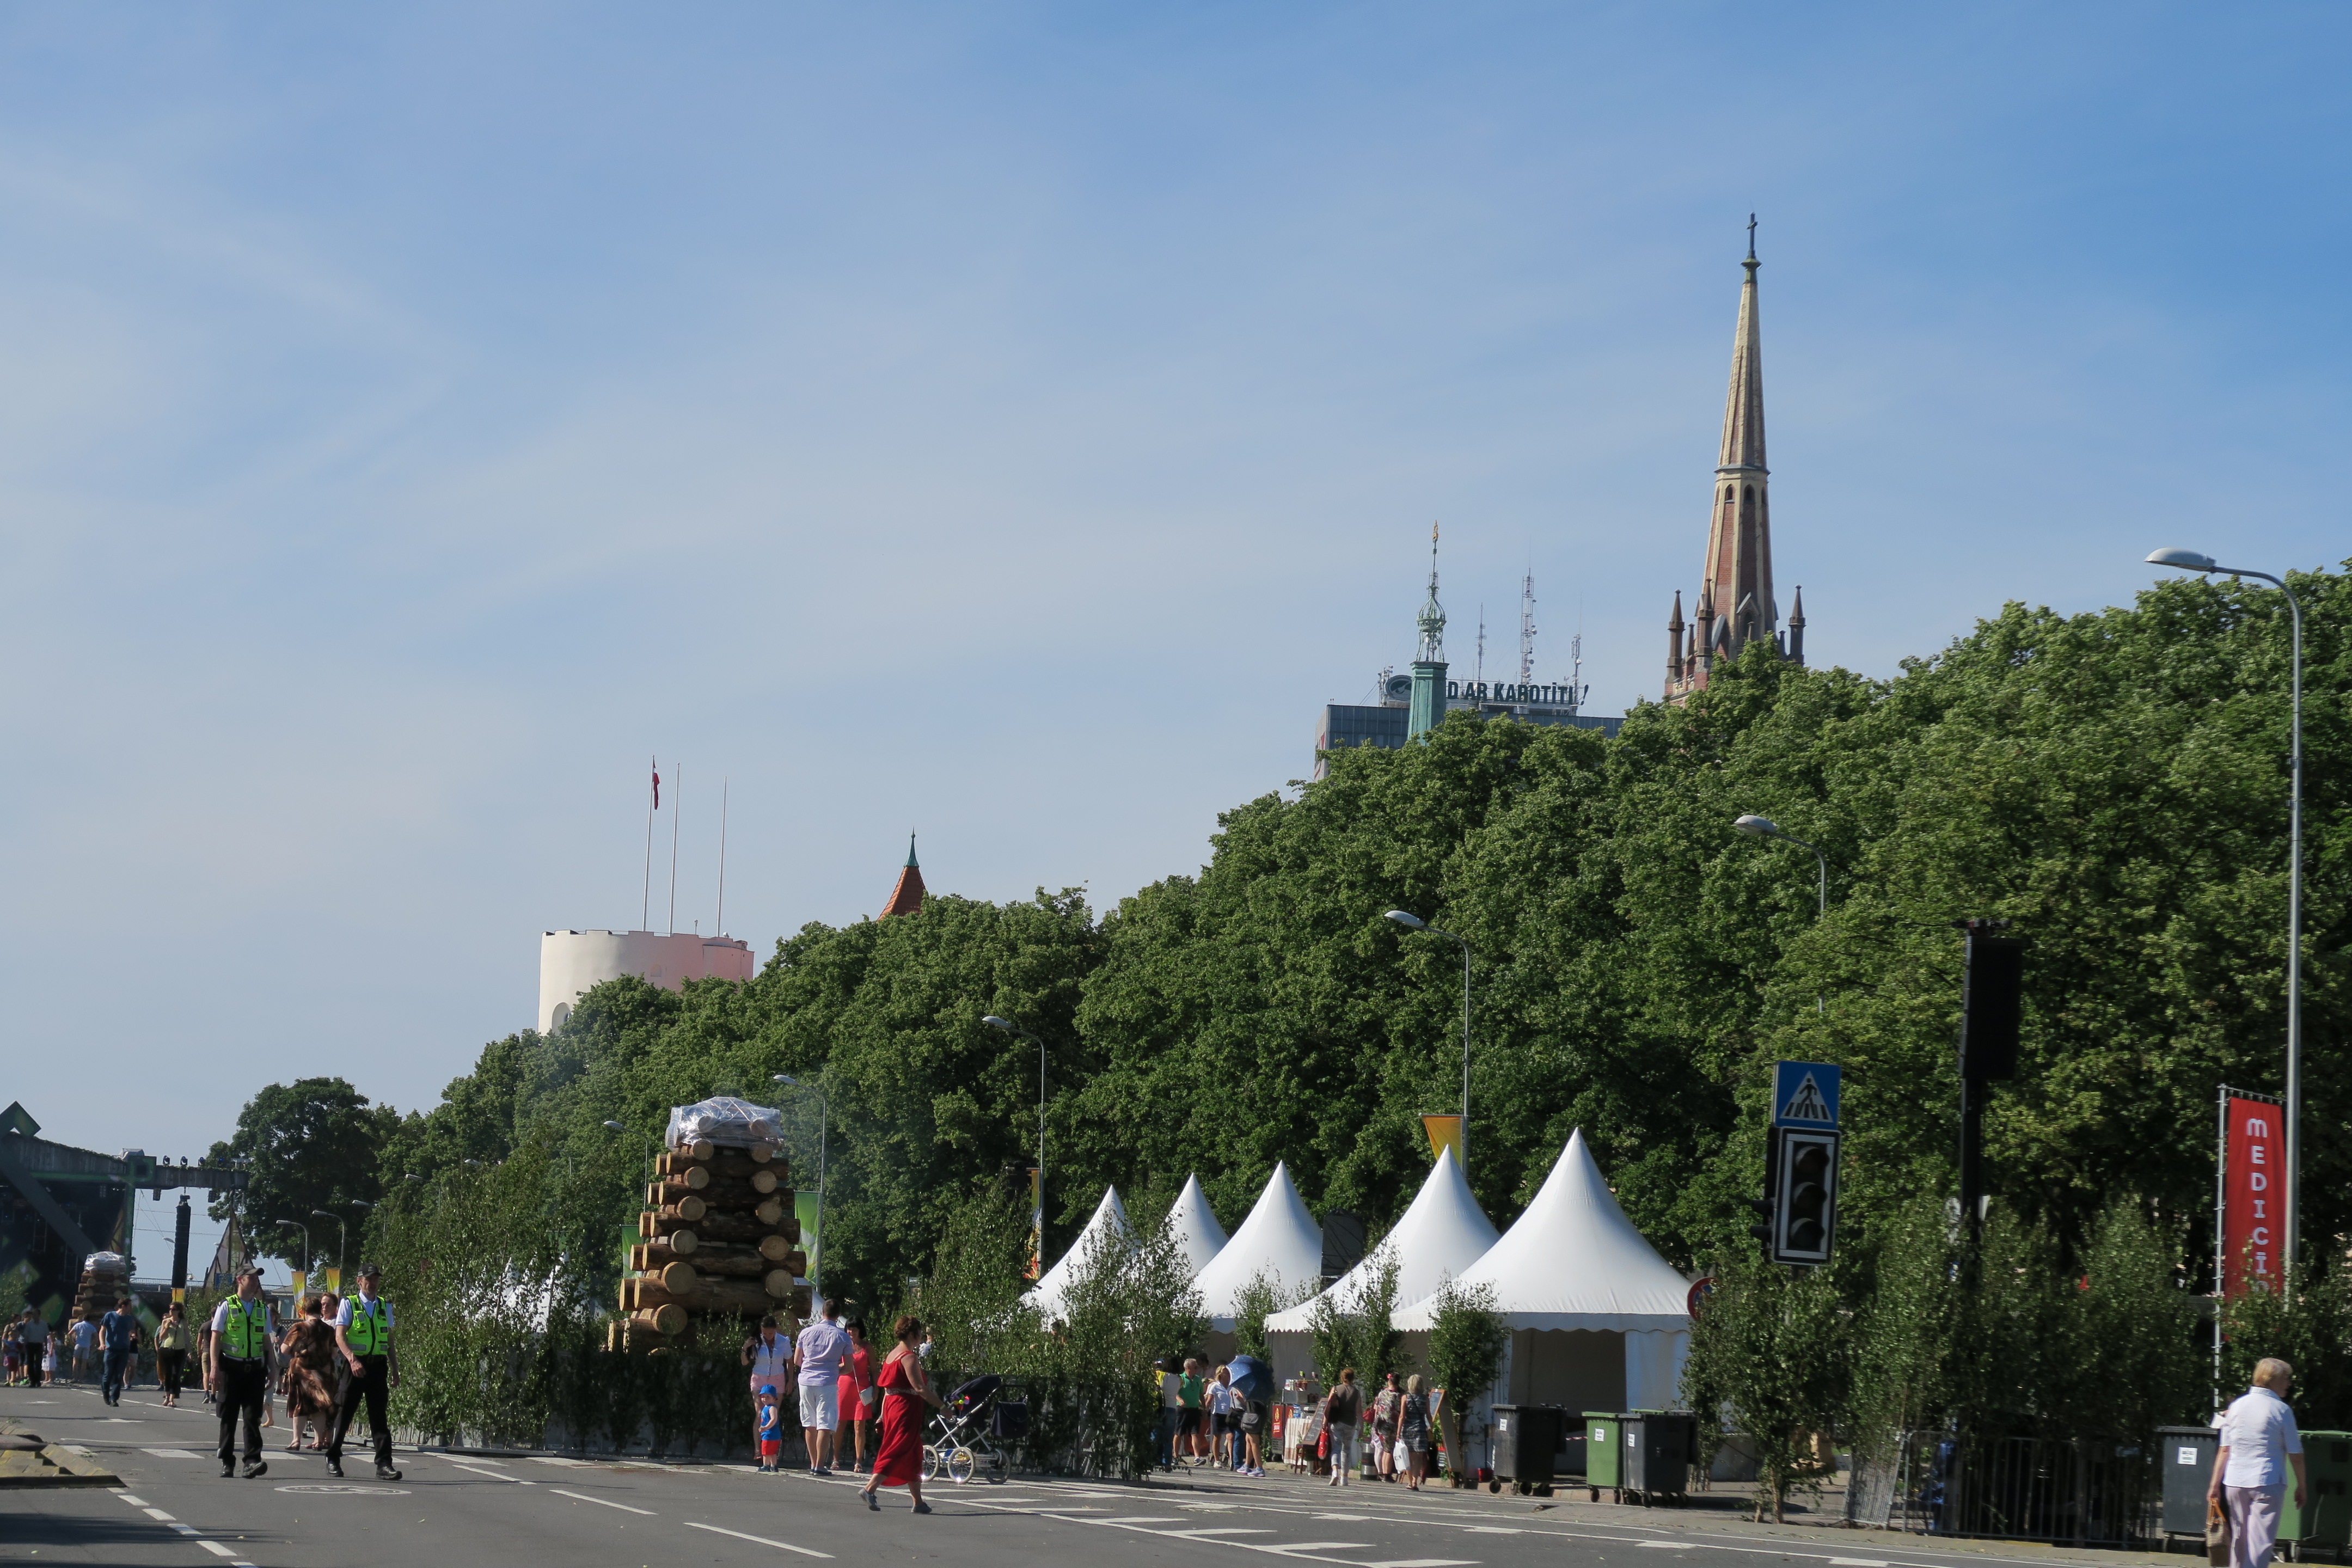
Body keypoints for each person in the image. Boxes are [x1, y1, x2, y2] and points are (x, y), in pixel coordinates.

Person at [2211, 1357, 2308, 1568]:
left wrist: (2214, 1486)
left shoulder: (2236, 1406)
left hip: (2235, 1482)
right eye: (2286, 1378)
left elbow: (2225, 1449)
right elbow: (2296, 1454)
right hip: (2267, 1481)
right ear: (2271, 1379)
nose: (2289, 1384)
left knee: (2239, 1541)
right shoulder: (2281, 1410)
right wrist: (2302, 1485)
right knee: (2259, 1544)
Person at [857, 1315, 941, 1514]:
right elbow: (920, 1388)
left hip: (894, 1407)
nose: (920, 1337)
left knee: (912, 1452)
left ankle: (918, 1501)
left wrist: (881, 1415)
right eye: (919, 1333)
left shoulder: (892, 1355)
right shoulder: (908, 1357)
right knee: (898, 1448)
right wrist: (942, 1406)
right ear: (913, 1334)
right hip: (905, 1408)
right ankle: (870, 1488)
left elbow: (888, 1389)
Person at [327, 1263, 401, 1481]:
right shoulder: (349, 1304)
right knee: (345, 1413)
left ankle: (384, 1464)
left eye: (376, 1278)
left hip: (378, 1366)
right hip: (355, 1367)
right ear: (360, 1281)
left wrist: (395, 1369)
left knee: (379, 1416)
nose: (373, 1283)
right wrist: (352, 1359)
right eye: (369, 1279)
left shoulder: (384, 1306)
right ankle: (333, 1457)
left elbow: (388, 1339)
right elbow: (340, 1336)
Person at [209, 1265, 274, 1478]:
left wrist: (273, 1369)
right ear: (240, 1279)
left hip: (255, 1369)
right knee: (228, 1416)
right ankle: (227, 1461)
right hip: (231, 1368)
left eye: (257, 1278)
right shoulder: (227, 1306)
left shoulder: (262, 1309)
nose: (255, 1281)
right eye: (251, 1277)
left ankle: (252, 1461)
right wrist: (214, 1368)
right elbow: (216, 1338)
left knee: (252, 1416)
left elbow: (267, 1342)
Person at [791, 1298, 852, 1477]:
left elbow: (797, 1361)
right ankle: (820, 1465)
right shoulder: (843, 1336)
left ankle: (812, 1462)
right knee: (824, 1424)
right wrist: (834, 1368)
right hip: (827, 1382)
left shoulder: (806, 1332)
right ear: (838, 1315)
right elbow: (848, 1367)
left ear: (822, 1312)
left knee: (809, 1423)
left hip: (806, 1381)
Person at [280, 1296, 339, 1451]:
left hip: (301, 1373)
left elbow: (284, 1350)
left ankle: (296, 1440)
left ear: (304, 1311)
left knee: (300, 1405)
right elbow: (334, 1353)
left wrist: (299, 1350)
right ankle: (319, 1440)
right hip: (322, 1373)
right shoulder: (328, 1329)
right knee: (319, 1407)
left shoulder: (299, 1327)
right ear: (320, 1310)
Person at [742, 1314, 794, 1466]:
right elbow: (745, 1362)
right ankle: (758, 1450)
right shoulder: (756, 1341)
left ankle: (771, 1451)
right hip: (760, 1378)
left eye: (771, 1333)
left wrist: (790, 1380)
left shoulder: (783, 1342)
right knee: (760, 1413)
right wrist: (745, 1348)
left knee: (773, 1414)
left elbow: (789, 1361)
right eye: (765, 1333)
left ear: (775, 1330)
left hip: (777, 1379)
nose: (768, 1336)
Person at [839, 1320, 875, 1474]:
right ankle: (835, 1458)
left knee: (859, 1425)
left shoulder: (868, 1348)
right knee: (840, 1423)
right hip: (844, 1387)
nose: (851, 1332)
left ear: (860, 1330)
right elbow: (834, 1364)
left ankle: (859, 1460)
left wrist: (876, 1391)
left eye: (854, 1329)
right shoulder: (841, 1345)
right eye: (849, 1329)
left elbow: (874, 1370)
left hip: (862, 1389)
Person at [1322, 1367, 1361, 1486]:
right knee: (1347, 1449)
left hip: (1336, 1422)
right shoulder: (1356, 1392)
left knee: (1336, 1448)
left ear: (1342, 1377)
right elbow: (1359, 1411)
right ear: (1353, 1378)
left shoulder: (1335, 1389)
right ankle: (1344, 1478)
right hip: (1350, 1424)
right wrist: (1362, 1427)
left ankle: (1335, 1472)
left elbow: (1328, 1408)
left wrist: (1324, 1422)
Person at [100, 1296, 140, 1406]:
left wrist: (132, 1337)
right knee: (108, 1375)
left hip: (123, 1350)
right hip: (111, 1350)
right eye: (130, 1306)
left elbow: (130, 1332)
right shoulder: (110, 1316)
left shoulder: (129, 1319)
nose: (131, 1308)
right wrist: (102, 1343)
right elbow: (102, 1331)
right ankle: (106, 1393)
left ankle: (114, 1399)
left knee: (119, 1375)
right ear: (124, 1306)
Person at [156, 1302, 193, 1408]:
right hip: (167, 1349)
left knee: (176, 1375)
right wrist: (167, 1328)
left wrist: (189, 1351)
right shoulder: (165, 1321)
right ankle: (167, 1397)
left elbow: (187, 1338)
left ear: (179, 1311)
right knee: (168, 1374)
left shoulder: (183, 1322)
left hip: (179, 1351)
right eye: (170, 1309)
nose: (171, 1311)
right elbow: (161, 1338)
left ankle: (172, 1399)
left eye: (173, 1309)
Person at [1400, 1374, 1433, 1490]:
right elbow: (1429, 1416)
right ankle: (1415, 1482)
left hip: (1407, 1430)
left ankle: (1410, 1482)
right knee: (1418, 1458)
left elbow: (1402, 1417)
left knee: (1407, 1457)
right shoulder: (1425, 1399)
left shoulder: (1405, 1398)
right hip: (1420, 1430)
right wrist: (1431, 1427)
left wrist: (1398, 1432)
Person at [1370, 1371, 1401, 1483]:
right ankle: (1387, 1474)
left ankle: (1382, 1473)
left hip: (1381, 1423)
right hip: (1391, 1424)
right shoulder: (1397, 1396)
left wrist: (1375, 1423)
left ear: (1389, 1381)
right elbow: (1400, 1411)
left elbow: (1376, 1408)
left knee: (1384, 1448)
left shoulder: (1382, 1393)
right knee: (1388, 1450)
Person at [1178, 1357, 1208, 1461]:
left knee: (1195, 1433)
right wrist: (1179, 1399)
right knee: (1179, 1433)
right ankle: (1175, 1456)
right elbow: (1175, 1393)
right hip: (1182, 1410)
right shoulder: (1180, 1378)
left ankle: (1197, 1457)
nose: (1197, 1369)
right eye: (1195, 1367)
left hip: (1194, 1409)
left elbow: (1201, 1395)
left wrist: (1204, 1408)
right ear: (1189, 1367)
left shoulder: (1198, 1379)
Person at [1156, 1356, 1183, 1471]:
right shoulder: (1179, 1379)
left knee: (1156, 1434)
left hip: (1161, 1407)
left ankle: (1155, 1458)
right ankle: (1167, 1462)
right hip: (1172, 1408)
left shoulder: (1160, 1375)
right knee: (1168, 1437)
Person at [14, 1308, 48, 1389]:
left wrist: (46, 1347)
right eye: (33, 1314)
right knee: (30, 1363)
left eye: (35, 1314)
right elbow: (26, 1336)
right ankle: (32, 1381)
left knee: (39, 1363)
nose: (34, 1316)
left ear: (39, 1315)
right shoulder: (29, 1325)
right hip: (30, 1344)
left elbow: (46, 1336)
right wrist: (24, 1347)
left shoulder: (44, 1324)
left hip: (39, 1345)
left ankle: (38, 1380)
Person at [756, 1385, 786, 1473]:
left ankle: (766, 1466)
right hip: (770, 1433)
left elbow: (774, 1420)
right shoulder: (766, 1408)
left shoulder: (772, 1408)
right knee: (772, 1452)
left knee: (766, 1451)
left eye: (768, 1397)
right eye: (763, 1397)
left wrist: (765, 1428)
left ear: (774, 1398)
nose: (765, 1399)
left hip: (770, 1434)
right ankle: (774, 1466)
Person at [70, 1310, 98, 1385]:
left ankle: (75, 1377)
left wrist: (72, 1341)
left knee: (75, 1361)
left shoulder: (78, 1325)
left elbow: (70, 1333)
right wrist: (93, 1344)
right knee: (84, 1362)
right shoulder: (91, 1327)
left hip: (78, 1344)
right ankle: (81, 1379)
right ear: (89, 1320)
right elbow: (96, 1336)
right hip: (87, 1345)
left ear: (83, 1318)